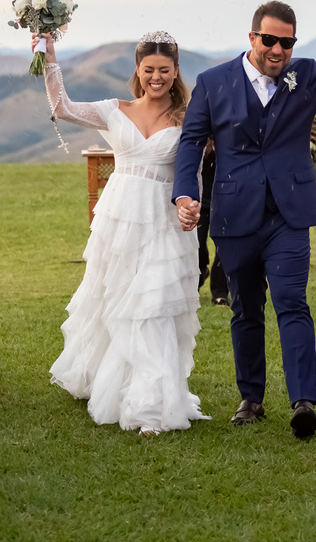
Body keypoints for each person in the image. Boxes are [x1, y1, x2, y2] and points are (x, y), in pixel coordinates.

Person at [173, 1, 316, 438]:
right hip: (235, 216)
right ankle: (251, 398)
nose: (278, 50)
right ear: (252, 38)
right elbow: (192, 141)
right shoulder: (213, 83)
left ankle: (303, 401)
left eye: (286, 42)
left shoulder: (304, 75)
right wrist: (185, 194)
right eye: (269, 40)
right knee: (246, 308)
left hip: (289, 216)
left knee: (292, 301)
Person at [41, 30, 207, 436]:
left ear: (176, 71)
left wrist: (191, 204)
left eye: (164, 70)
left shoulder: (190, 116)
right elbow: (62, 107)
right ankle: (109, 380)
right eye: (149, 69)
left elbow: (196, 167)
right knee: (115, 297)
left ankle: (149, 403)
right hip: (119, 219)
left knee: (153, 305)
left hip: (165, 220)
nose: (156, 77)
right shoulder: (115, 110)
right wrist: (48, 55)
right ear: (137, 70)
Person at [197, 141, 227, 306]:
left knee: (222, 249)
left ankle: (220, 292)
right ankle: (201, 273)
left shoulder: (225, 144)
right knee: (198, 244)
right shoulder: (194, 143)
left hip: (222, 202)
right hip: (199, 203)